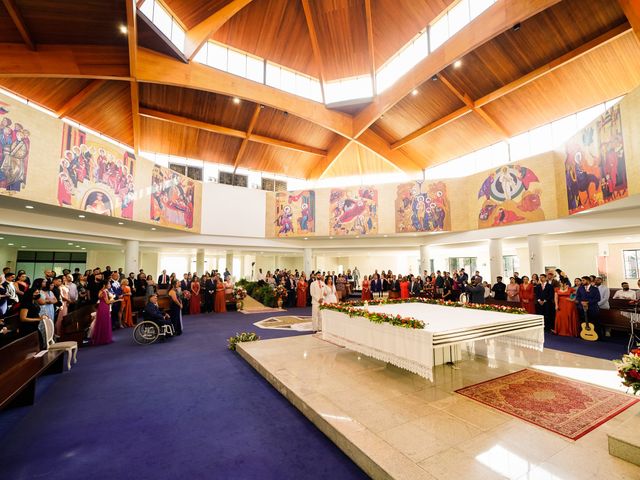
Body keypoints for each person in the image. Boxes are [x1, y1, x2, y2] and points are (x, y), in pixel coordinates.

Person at [91, 279, 114, 346]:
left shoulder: (102, 291)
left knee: (102, 322)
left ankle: (101, 338)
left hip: (102, 307)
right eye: (109, 284)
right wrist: (114, 299)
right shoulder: (104, 291)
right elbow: (107, 302)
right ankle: (104, 339)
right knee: (104, 322)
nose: (110, 285)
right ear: (104, 285)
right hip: (104, 307)